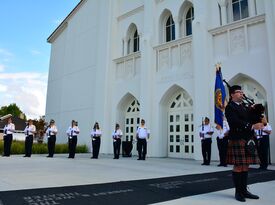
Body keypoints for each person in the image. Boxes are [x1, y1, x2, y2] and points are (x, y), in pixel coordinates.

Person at [225, 85, 264, 202]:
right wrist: (251, 126)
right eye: (238, 92)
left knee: (245, 165)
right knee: (238, 166)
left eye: (242, 92)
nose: (241, 94)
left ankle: (244, 191)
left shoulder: (245, 107)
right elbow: (234, 121)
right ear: (232, 94)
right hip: (237, 138)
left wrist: (257, 110)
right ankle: (238, 192)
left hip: (248, 139)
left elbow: (254, 118)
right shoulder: (230, 107)